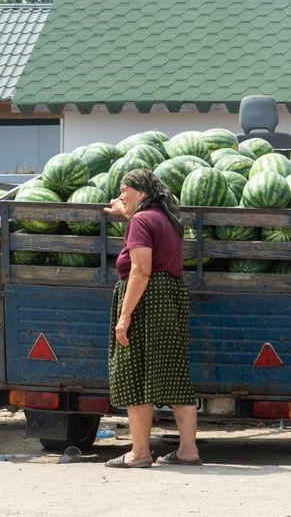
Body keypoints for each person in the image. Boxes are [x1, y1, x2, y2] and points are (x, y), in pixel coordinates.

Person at [103, 169, 201, 469]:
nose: (120, 195)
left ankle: (139, 453)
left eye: (125, 189)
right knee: (174, 374)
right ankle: (187, 451)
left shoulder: (142, 220)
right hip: (169, 299)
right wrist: (126, 213)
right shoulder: (165, 218)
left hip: (148, 301)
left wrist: (125, 315)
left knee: (135, 374)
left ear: (142, 193)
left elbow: (141, 269)